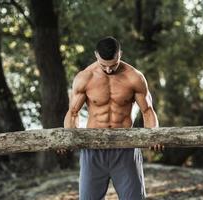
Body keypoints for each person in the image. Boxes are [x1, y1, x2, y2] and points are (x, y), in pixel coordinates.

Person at [60, 36, 164, 200]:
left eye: (113, 65)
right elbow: (73, 113)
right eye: (104, 65)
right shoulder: (84, 77)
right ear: (96, 55)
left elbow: (148, 111)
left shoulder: (134, 77)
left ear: (120, 54)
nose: (109, 70)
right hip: (93, 148)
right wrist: (66, 138)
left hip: (125, 148)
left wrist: (155, 134)